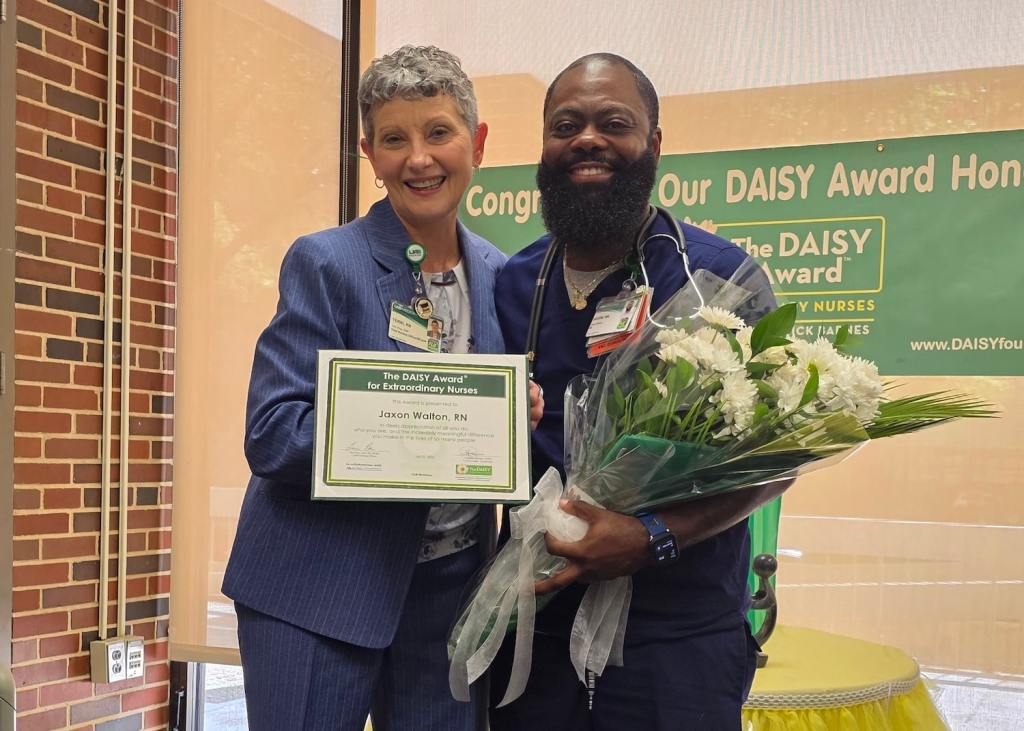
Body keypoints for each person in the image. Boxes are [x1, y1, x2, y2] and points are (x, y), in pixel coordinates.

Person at [222, 45, 540, 731]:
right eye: (394, 139)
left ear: (477, 144)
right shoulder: (325, 262)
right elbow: (274, 432)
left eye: (438, 133)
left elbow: (500, 440)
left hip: (453, 594)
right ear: (368, 153)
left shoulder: (504, 275)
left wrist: (518, 418)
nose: (418, 158)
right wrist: (425, 424)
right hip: (317, 586)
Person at [490, 54, 791, 731]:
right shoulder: (514, 284)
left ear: (654, 144)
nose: (588, 139)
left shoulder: (719, 281)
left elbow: (778, 459)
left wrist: (650, 536)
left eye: (613, 123)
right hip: (535, 640)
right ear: (543, 147)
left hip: (675, 647)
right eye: (566, 125)